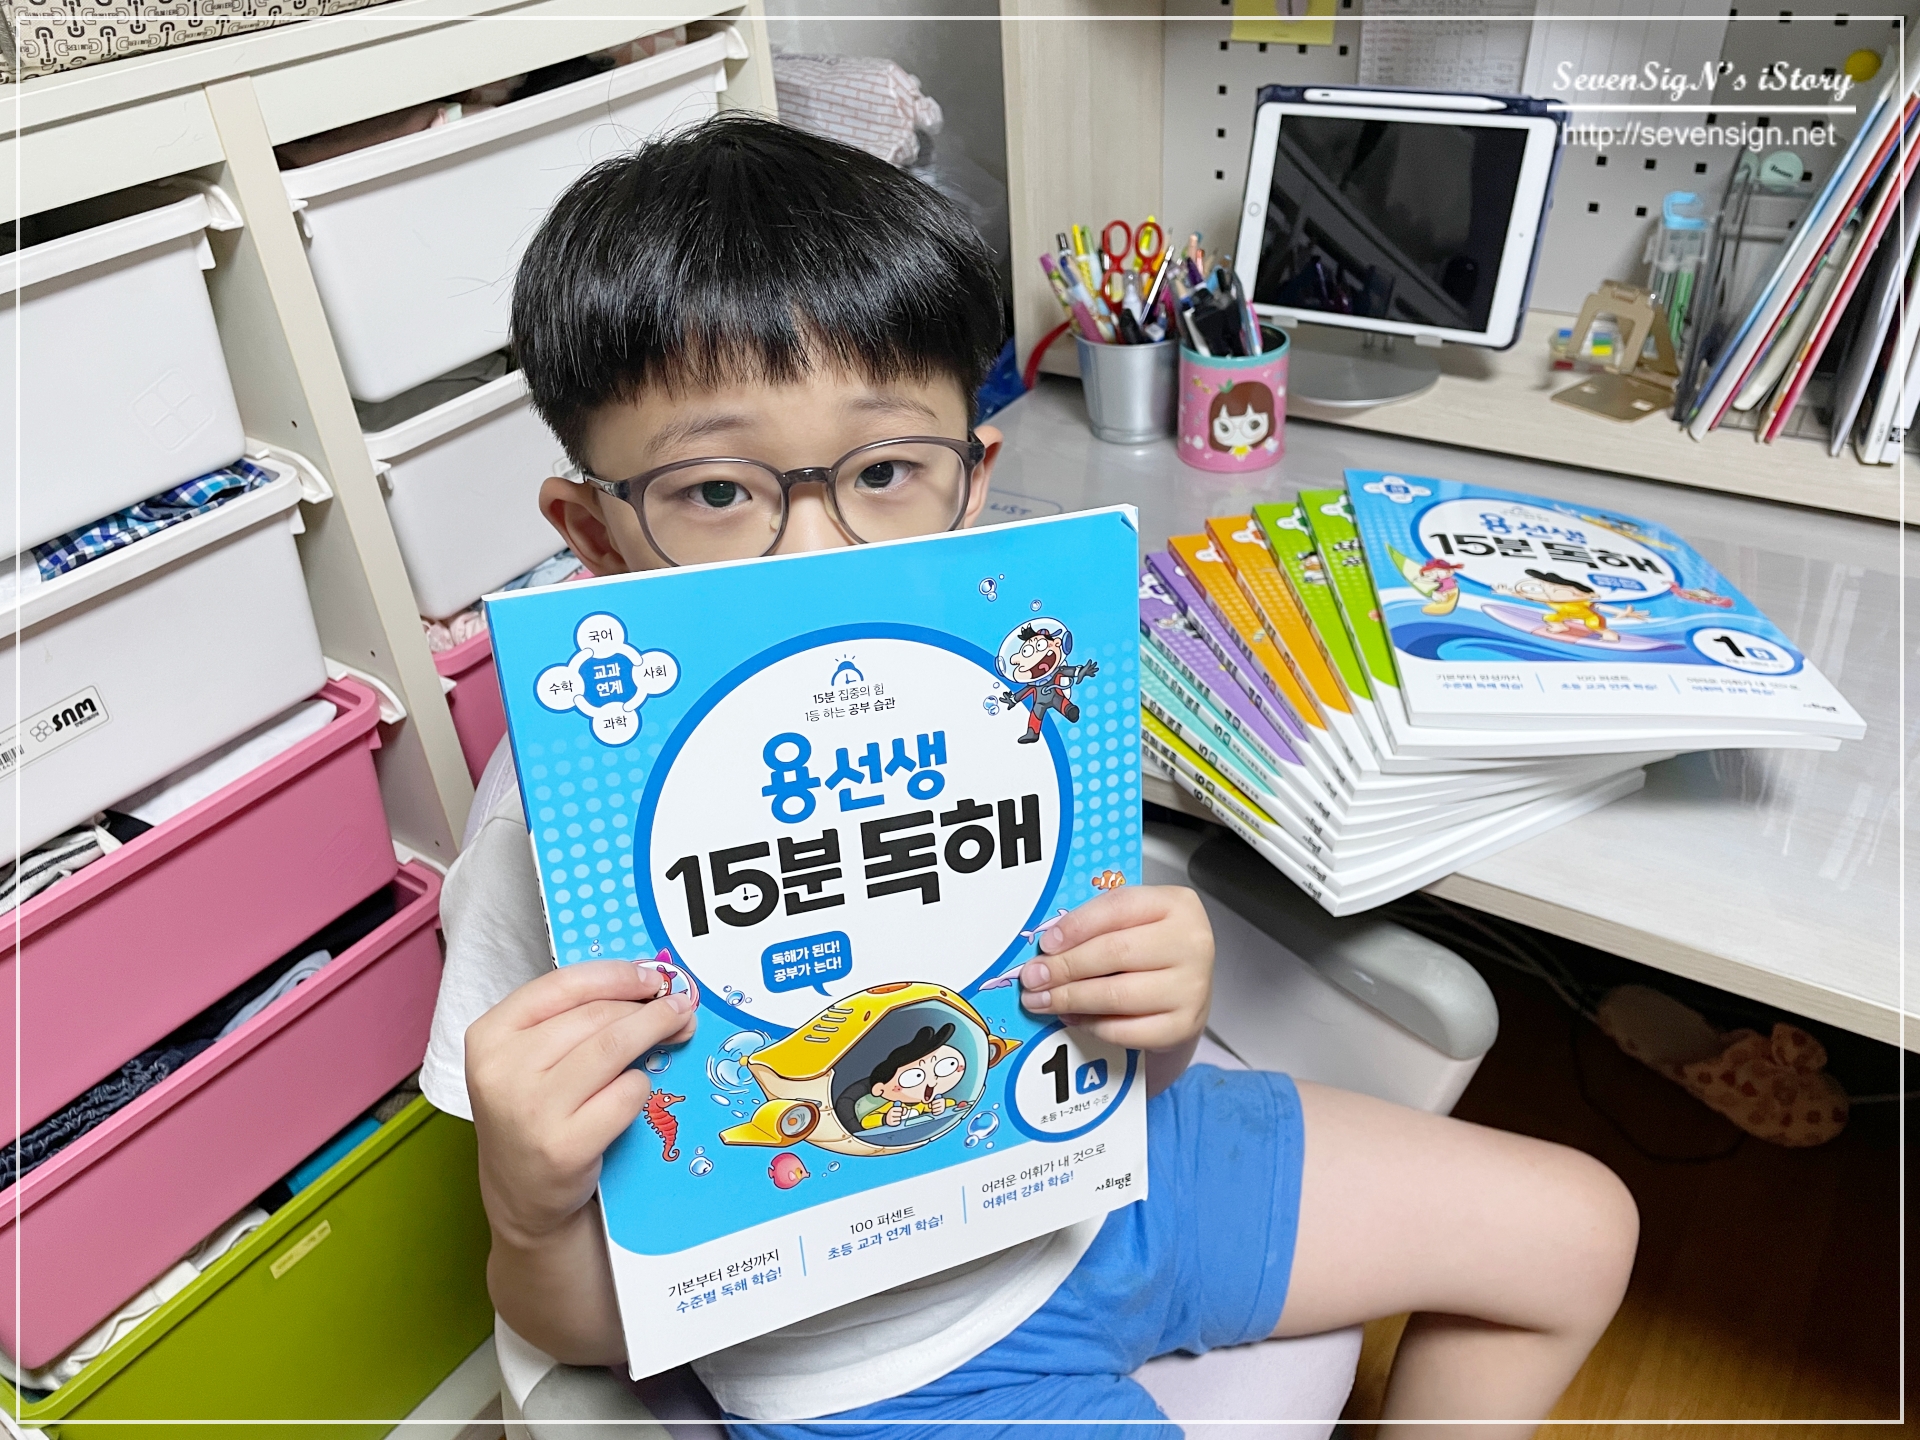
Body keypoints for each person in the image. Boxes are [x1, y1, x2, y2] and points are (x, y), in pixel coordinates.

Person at [422, 114, 1638, 1440]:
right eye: (715, 492)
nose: (819, 550)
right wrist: (525, 1212)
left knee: (1580, 1229)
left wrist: (1162, 1017)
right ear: (592, 535)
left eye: (887, 469)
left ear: (973, 482)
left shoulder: (1019, 694)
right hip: (876, 1363)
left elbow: (1117, 1068)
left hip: (1120, 1182)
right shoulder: (552, 838)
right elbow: (584, 1333)